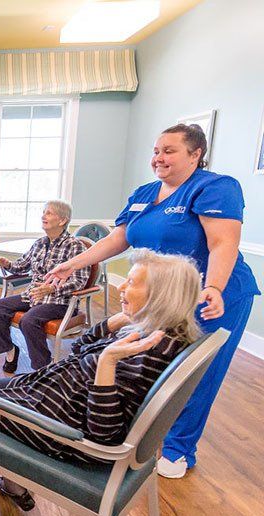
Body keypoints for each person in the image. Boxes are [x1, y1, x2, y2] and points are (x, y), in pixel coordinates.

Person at [46, 124, 260, 479]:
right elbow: (118, 239)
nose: (159, 157)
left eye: (170, 150)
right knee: (153, 362)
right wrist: (73, 262)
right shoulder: (145, 193)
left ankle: (179, 449)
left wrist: (216, 287)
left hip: (214, 295)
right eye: (156, 150)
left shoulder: (215, 188)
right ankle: (143, 432)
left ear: (195, 154)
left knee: (195, 372)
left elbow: (222, 243)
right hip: (165, 298)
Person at [0, 250, 202, 511]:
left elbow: (104, 434)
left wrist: (107, 361)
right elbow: (79, 349)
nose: (121, 287)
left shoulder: (148, 354)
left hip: (64, 422)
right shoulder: (152, 331)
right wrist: (112, 324)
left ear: (160, 296)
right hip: (60, 391)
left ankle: (16, 478)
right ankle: (13, 481)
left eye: (131, 283)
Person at [0, 200, 89, 372]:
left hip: (59, 302)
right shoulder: (40, 243)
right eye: (43, 212)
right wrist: (7, 264)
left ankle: (41, 370)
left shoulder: (75, 246)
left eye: (49, 213)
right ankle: (10, 350)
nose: (43, 216)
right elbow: (21, 266)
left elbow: (80, 281)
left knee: (29, 320)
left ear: (63, 220)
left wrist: (53, 288)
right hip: (33, 296)